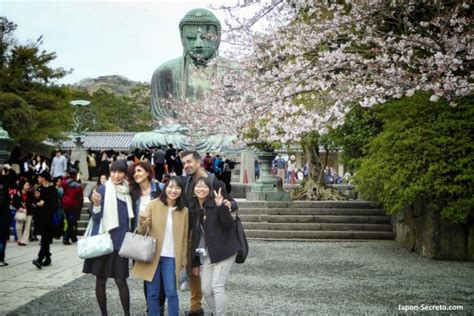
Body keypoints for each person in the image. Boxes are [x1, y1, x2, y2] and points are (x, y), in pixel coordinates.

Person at [180, 150, 237, 316]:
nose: (186, 166)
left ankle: (210, 310)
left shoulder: (213, 181)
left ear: (198, 162)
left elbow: (232, 204)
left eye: (189, 162)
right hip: (197, 234)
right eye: (184, 163)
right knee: (195, 275)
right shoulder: (188, 181)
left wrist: (225, 206)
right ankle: (196, 306)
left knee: (216, 285)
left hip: (218, 239)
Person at [83, 160, 134, 316]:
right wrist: (97, 204)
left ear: (125, 174)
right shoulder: (103, 189)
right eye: (113, 171)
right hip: (103, 241)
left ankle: (127, 314)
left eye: (120, 172)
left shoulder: (129, 192)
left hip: (121, 242)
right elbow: (96, 217)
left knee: (120, 280)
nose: (116, 175)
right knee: (101, 280)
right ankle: (104, 314)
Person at [133, 176, 189, 316]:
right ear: (165, 188)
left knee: (171, 292)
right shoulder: (153, 204)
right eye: (170, 186)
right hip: (152, 255)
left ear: (182, 191)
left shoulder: (184, 211)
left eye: (177, 187)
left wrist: (182, 259)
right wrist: (143, 222)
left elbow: (184, 238)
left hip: (171, 257)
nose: (173, 190)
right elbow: (142, 231)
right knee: (152, 293)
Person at [190, 177, 240, 316]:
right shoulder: (192, 209)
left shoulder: (215, 203)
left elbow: (229, 224)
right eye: (198, 186)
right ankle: (217, 312)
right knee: (206, 289)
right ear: (193, 190)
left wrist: (221, 206)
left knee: (217, 286)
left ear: (209, 190)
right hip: (208, 253)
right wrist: (194, 262)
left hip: (225, 249)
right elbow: (193, 238)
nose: (201, 188)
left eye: (204, 186)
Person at [127, 161, 164, 314]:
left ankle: (160, 305)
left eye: (139, 171)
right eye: (134, 172)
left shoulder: (160, 189)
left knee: (161, 275)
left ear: (148, 172)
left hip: (160, 238)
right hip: (140, 240)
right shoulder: (131, 193)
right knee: (146, 276)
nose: (136, 174)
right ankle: (151, 306)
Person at [32, 171, 59, 269]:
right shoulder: (39, 188)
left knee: (44, 239)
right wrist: (37, 200)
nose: (38, 179)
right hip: (40, 218)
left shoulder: (52, 189)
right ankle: (47, 258)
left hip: (49, 218)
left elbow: (54, 205)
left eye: (39, 177)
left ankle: (39, 259)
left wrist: (44, 203)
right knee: (45, 239)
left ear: (44, 178)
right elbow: (34, 202)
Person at [61, 169, 83, 245]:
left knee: (70, 221)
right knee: (71, 222)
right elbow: (80, 197)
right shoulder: (78, 186)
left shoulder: (65, 183)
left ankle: (73, 237)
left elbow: (62, 181)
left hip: (65, 204)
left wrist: (65, 177)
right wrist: (80, 206)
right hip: (74, 205)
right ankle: (66, 238)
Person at [11, 177, 35, 246]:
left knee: (27, 227)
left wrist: (28, 207)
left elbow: (32, 202)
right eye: (26, 185)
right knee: (18, 227)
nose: (28, 186)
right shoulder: (17, 194)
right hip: (20, 211)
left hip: (29, 211)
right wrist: (19, 208)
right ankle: (20, 239)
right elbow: (14, 202)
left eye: (28, 185)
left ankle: (24, 241)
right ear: (22, 185)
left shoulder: (30, 194)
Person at [0, 166, 11, 266]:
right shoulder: (5, 183)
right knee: (2, 237)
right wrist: (9, 169)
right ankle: (1, 258)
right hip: (3, 213)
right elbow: (13, 178)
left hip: (3, 212)